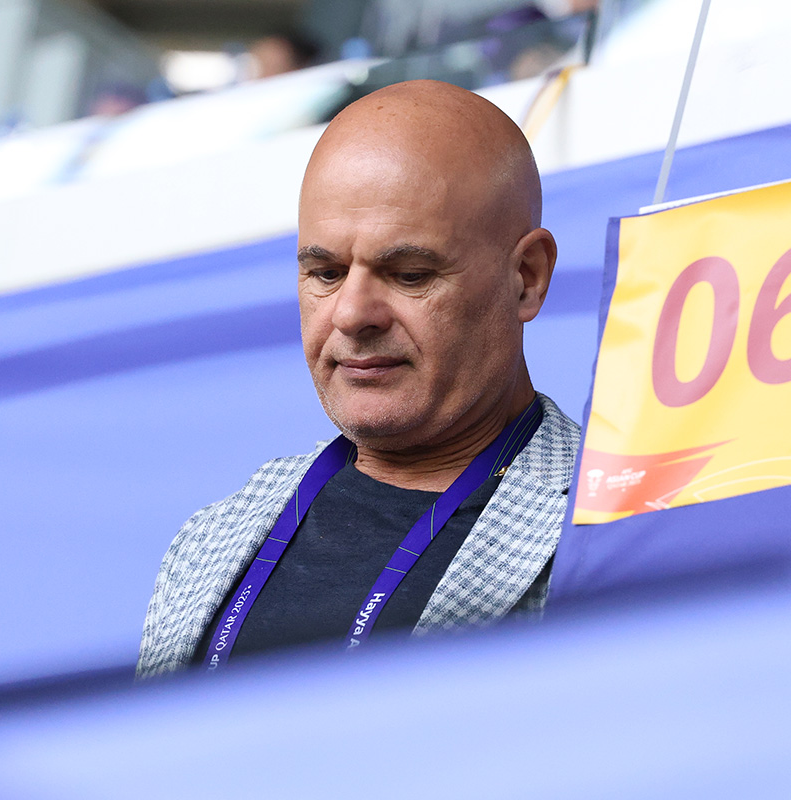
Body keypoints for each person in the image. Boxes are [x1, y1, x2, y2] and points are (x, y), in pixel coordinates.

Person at [137, 79, 579, 678]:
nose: (351, 314)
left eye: (409, 274)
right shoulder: (212, 539)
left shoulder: (614, 532)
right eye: (325, 273)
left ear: (526, 277)